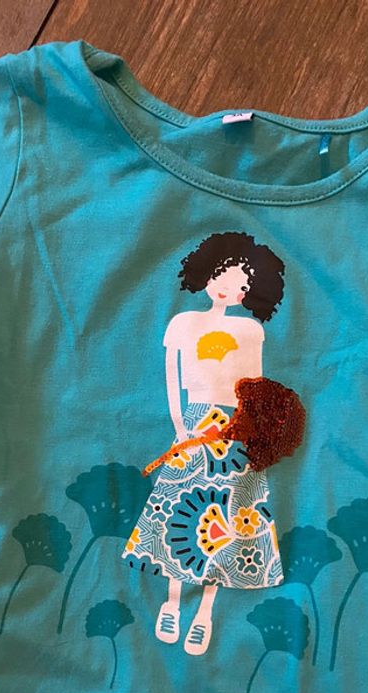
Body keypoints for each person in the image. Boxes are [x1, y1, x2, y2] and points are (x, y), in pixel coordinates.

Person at [121, 231, 286, 655]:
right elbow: (172, 376)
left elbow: (255, 385)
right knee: (182, 512)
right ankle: (172, 605)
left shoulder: (250, 330)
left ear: (250, 293)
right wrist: (182, 428)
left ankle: (205, 614)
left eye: (242, 285)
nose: (230, 288)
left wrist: (247, 430)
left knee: (227, 519)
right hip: (194, 424)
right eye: (223, 276)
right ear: (207, 275)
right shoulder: (182, 323)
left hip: (236, 428)